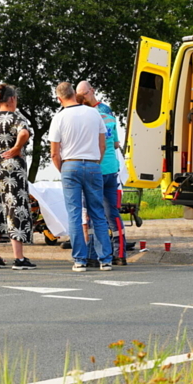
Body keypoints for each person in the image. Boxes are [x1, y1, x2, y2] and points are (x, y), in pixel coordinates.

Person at [50, 81, 112, 271]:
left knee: (75, 214)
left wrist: (64, 169)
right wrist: (96, 162)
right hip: (93, 164)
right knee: (98, 213)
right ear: (73, 94)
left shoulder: (59, 118)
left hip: (70, 164)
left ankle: (79, 260)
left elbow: (54, 153)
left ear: (59, 98)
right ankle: (105, 259)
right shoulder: (94, 113)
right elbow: (103, 144)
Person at [0, 84, 36, 270]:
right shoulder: (16, 117)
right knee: (15, 208)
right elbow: (24, 132)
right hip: (11, 168)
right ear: (12, 100)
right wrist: (16, 148)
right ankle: (18, 258)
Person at [76, 80, 126, 265]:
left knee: (91, 214)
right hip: (111, 168)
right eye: (79, 95)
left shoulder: (87, 113)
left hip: (95, 168)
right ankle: (119, 253)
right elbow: (115, 142)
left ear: (93, 91)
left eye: (84, 94)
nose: (82, 98)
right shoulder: (108, 110)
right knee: (111, 213)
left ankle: (92, 255)